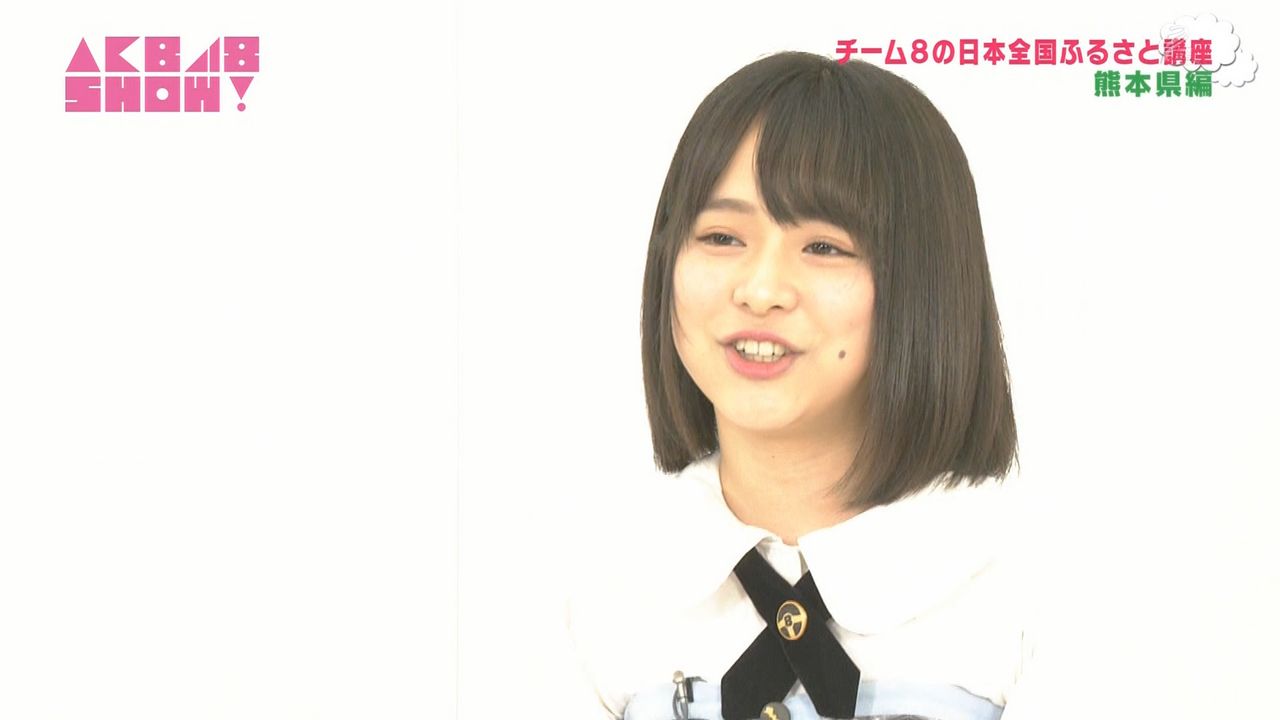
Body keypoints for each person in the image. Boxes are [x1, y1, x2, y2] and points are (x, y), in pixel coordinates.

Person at [566, 51, 1038, 720]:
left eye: (824, 247)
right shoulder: (603, 600)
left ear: (924, 284)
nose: (760, 290)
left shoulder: (1024, 594)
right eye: (722, 236)